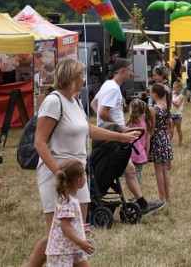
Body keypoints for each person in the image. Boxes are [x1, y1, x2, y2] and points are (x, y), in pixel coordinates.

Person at [28, 59, 142, 267]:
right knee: (55, 235)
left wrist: (121, 136)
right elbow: (39, 142)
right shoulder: (54, 102)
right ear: (73, 78)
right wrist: (58, 173)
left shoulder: (75, 101)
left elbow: (87, 129)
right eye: (81, 75)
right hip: (57, 175)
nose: (84, 79)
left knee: (77, 233)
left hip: (77, 176)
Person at [90, 59, 165, 215]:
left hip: (108, 134)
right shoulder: (113, 89)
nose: (132, 73)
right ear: (122, 71)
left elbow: (93, 104)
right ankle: (142, 205)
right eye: (130, 70)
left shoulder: (107, 85)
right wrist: (119, 128)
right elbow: (103, 112)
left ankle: (142, 204)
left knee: (129, 169)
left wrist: (101, 125)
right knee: (126, 169)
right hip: (114, 136)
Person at [45, 160, 95, 267]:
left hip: (73, 248)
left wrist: (80, 228)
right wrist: (81, 243)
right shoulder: (67, 202)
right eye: (84, 174)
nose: (85, 177)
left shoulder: (71, 200)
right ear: (78, 181)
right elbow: (65, 227)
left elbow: (69, 223)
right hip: (62, 252)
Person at [148, 83, 174, 203]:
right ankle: (168, 196)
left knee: (158, 170)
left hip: (157, 138)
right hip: (165, 137)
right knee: (164, 169)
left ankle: (162, 197)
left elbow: (152, 129)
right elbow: (169, 125)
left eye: (151, 92)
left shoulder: (153, 109)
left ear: (155, 94)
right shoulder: (166, 106)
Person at [127, 98, 149, 186]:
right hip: (141, 154)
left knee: (129, 176)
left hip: (131, 154)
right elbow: (147, 140)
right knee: (138, 175)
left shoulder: (130, 125)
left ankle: (133, 195)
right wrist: (146, 155)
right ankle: (138, 195)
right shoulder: (145, 123)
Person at [170, 80, 185, 147]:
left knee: (178, 130)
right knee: (170, 130)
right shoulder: (174, 95)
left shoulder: (181, 96)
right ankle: (168, 142)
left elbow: (177, 104)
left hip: (178, 115)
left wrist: (171, 100)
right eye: (173, 88)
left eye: (175, 88)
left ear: (180, 88)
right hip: (172, 114)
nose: (174, 89)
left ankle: (180, 143)